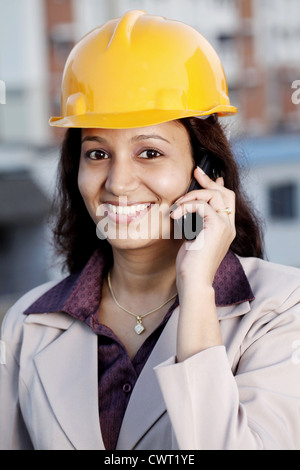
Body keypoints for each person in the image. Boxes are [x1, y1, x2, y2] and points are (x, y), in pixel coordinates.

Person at [1, 10, 300, 451]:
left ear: (205, 168)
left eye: (149, 153)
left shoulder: (280, 310)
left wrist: (197, 290)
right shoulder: (27, 325)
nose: (118, 183)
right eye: (97, 154)